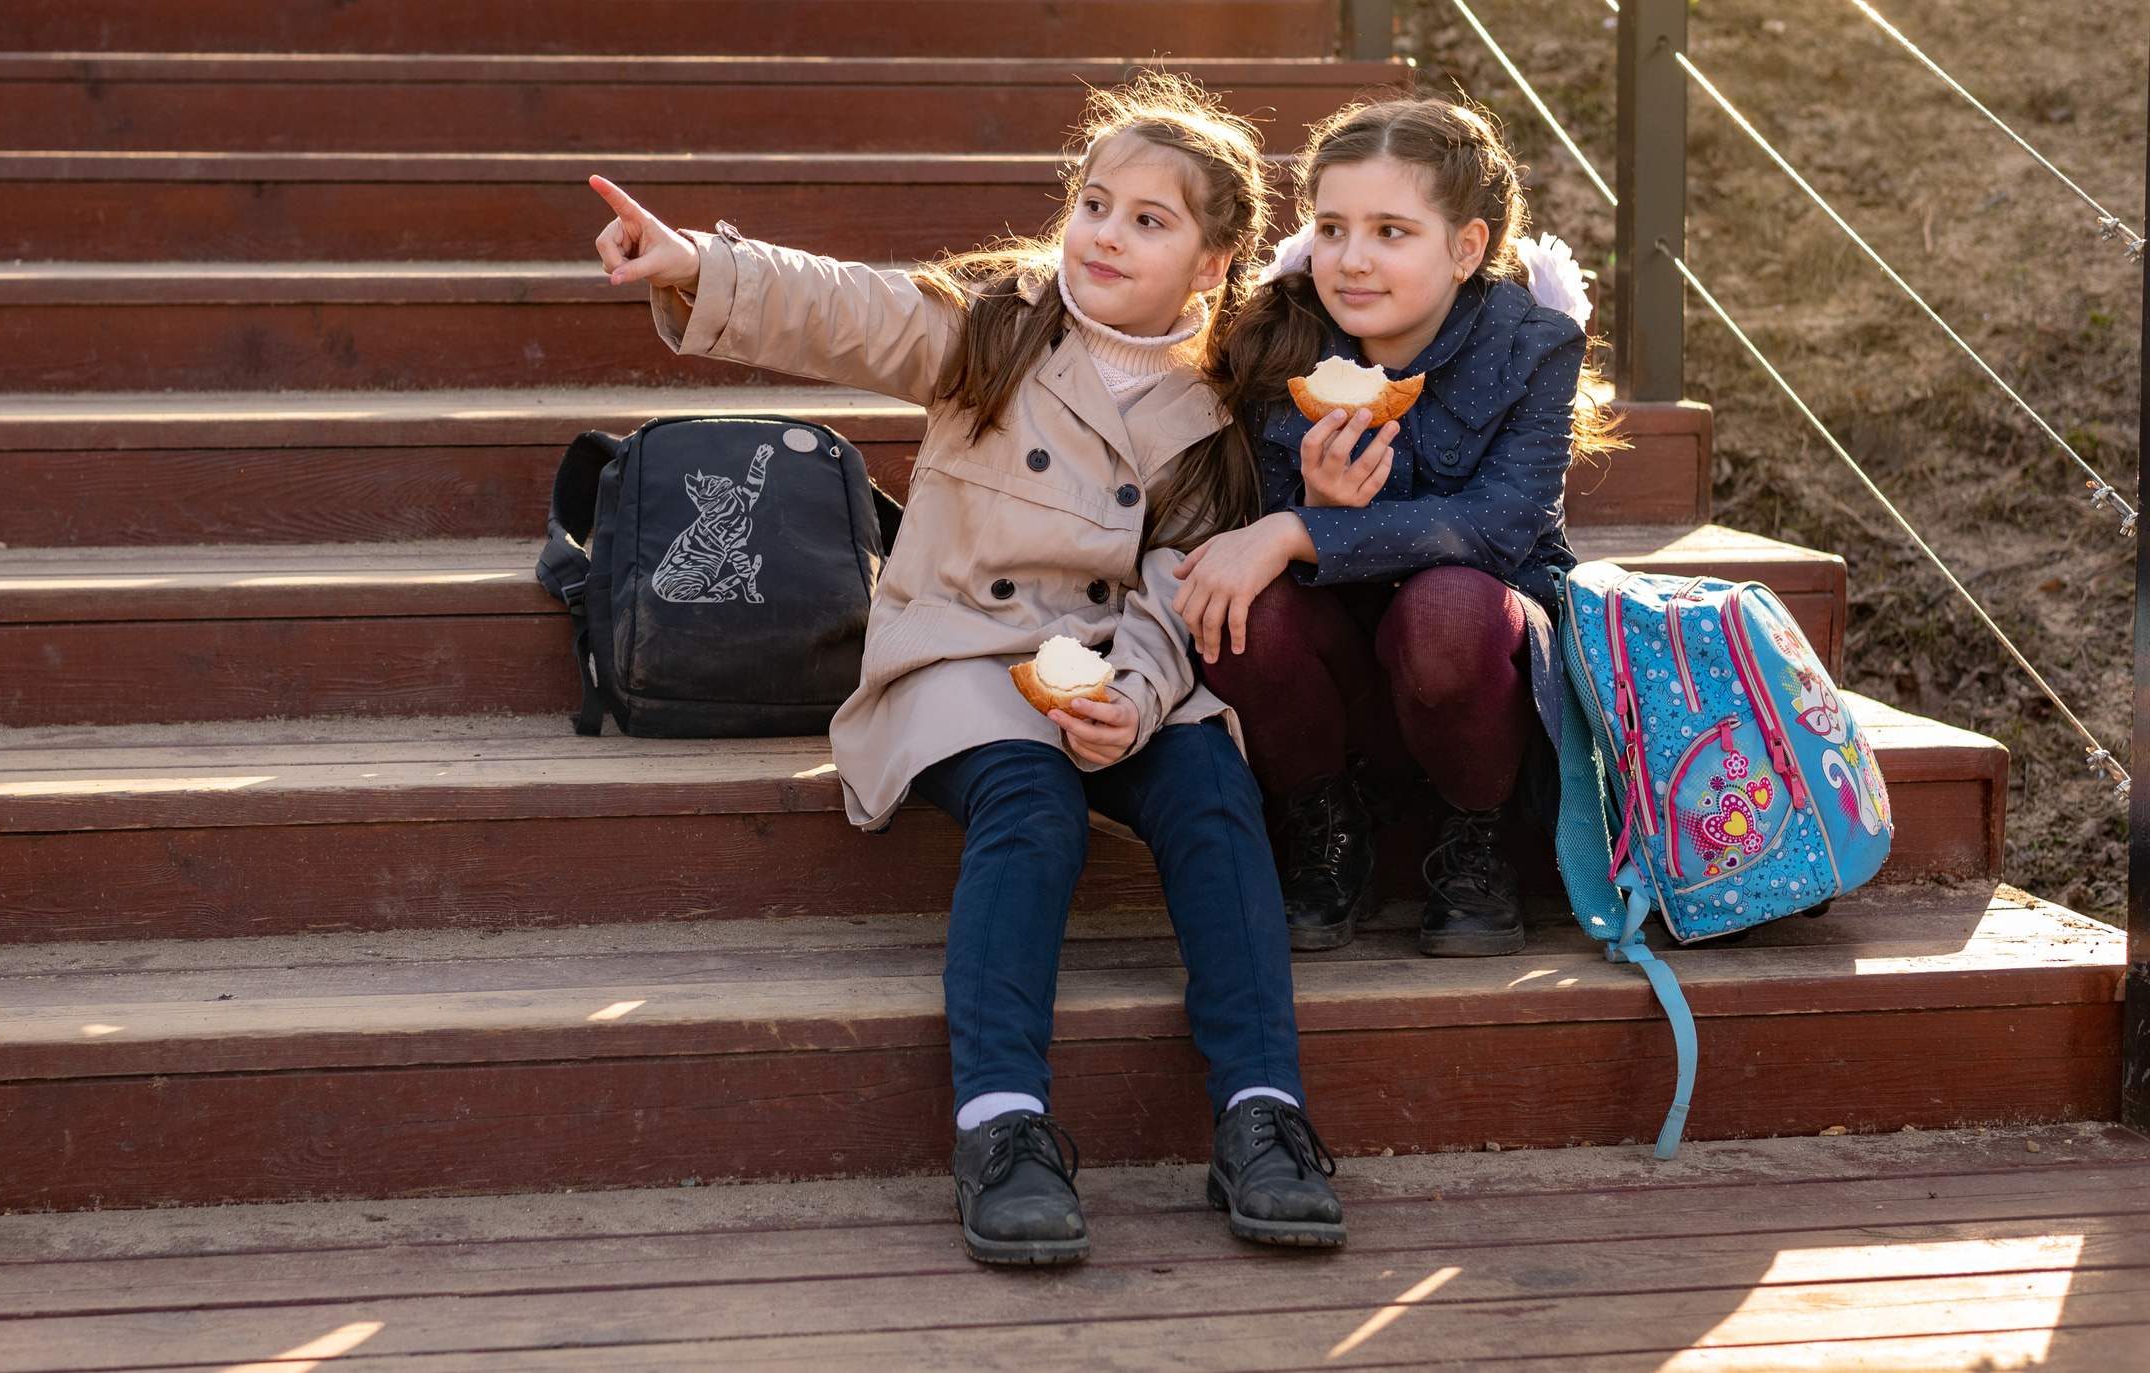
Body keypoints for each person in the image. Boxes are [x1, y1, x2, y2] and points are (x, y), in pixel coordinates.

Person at [589, 74, 1342, 1268]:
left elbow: (1177, 581)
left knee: (1211, 786)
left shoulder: (1213, 413)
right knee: (1031, 803)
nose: (1105, 234)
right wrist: (699, 264)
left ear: (1211, 263)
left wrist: (1137, 697)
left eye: (1149, 220)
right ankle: (1002, 1125)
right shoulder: (997, 330)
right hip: (961, 655)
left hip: (1112, 664)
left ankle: (1263, 1112)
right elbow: (851, 309)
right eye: (1094, 203)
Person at [1171, 98, 1612, 959]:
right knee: (1236, 601)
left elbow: (1502, 525)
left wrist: (1301, 532)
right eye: (1332, 228)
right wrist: (1310, 508)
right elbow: (1248, 531)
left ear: (1467, 247)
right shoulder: (1279, 338)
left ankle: (1475, 834)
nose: (1352, 259)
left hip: (1479, 678)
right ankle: (1327, 824)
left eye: (1391, 232)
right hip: (1341, 685)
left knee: (1446, 607)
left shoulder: (1535, 346)